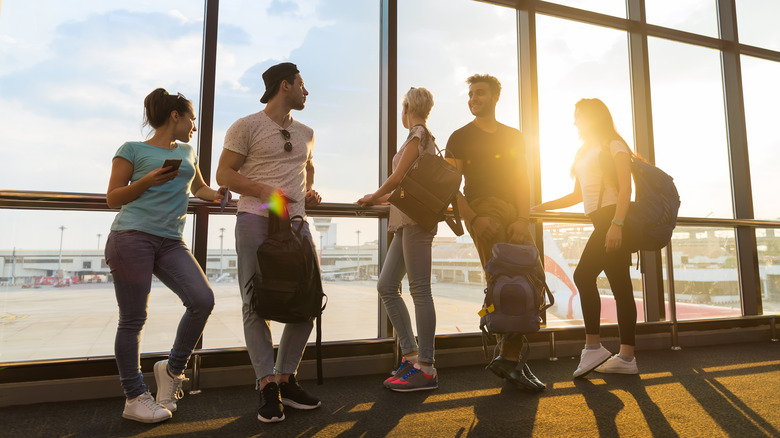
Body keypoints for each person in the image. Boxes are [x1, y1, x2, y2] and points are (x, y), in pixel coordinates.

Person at [105, 88, 222, 423]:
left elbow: (198, 188)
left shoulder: (187, 151)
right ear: (176, 116)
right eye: (192, 120)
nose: (194, 127)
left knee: (202, 300)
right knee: (132, 319)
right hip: (132, 236)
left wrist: (219, 195)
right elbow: (113, 197)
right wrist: (150, 179)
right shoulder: (132, 149)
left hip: (171, 240)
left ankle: (171, 371)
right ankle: (134, 396)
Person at [216, 62, 323, 423]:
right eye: (302, 85)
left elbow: (307, 166)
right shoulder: (245, 126)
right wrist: (264, 191)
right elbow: (224, 174)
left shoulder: (307, 132)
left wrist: (308, 190)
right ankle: (266, 385)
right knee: (255, 304)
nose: (306, 92)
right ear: (285, 86)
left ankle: (285, 377)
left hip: (295, 226)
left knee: (308, 301)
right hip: (255, 222)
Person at [445, 74, 544, 392]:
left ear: (495, 97)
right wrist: (474, 220)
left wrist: (523, 218)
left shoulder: (513, 136)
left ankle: (509, 358)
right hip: (484, 212)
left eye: (480, 93)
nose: (473, 98)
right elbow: (449, 185)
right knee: (504, 284)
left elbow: (522, 180)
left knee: (533, 278)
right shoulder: (459, 137)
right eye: (470, 94)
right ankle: (511, 360)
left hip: (513, 214)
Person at [532, 98, 638, 378]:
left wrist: (616, 224)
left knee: (582, 276)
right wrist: (543, 207)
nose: (575, 121)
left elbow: (626, 189)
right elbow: (578, 195)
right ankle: (627, 357)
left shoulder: (613, 144)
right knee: (621, 287)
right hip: (600, 220)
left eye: (578, 115)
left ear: (592, 117)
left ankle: (594, 347)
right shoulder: (583, 151)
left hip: (611, 219)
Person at [357, 87, 439, 392]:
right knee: (387, 285)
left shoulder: (418, 134)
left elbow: (397, 178)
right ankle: (411, 356)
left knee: (419, 290)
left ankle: (427, 368)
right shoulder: (418, 137)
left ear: (406, 107)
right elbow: (406, 188)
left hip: (416, 223)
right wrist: (380, 201)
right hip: (405, 221)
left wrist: (374, 195)